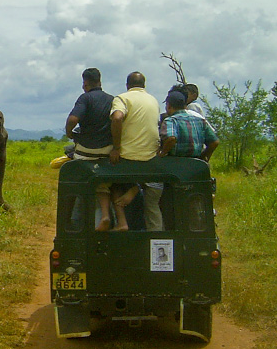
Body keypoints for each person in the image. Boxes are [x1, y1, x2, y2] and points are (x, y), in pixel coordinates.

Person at [109, 71, 161, 231]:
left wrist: (116, 148)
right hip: (151, 156)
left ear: (127, 85)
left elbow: (117, 118)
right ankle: (137, 187)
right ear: (144, 86)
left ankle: (120, 221)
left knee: (108, 184)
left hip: (127, 157)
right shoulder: (154, 100)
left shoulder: (122, 98)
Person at [66, 67, 116, 231]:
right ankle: (105, 215)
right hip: (107, 152)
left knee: (80, 184)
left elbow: (73, 118)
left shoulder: (85, 98)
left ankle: (75, 223)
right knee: (103, 185)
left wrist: (70, 133)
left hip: (86, 152)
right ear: (100, 82)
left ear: (85, 83)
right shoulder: (112, 99)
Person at [158, 91, 219, 160]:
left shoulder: (171, 121)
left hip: (175, 163)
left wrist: (163, 153)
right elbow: (215, 142)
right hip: (196, 164)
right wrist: (202, 157)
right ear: (185, 106)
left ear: (169, 106)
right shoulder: (200, 121)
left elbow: (171, 139)